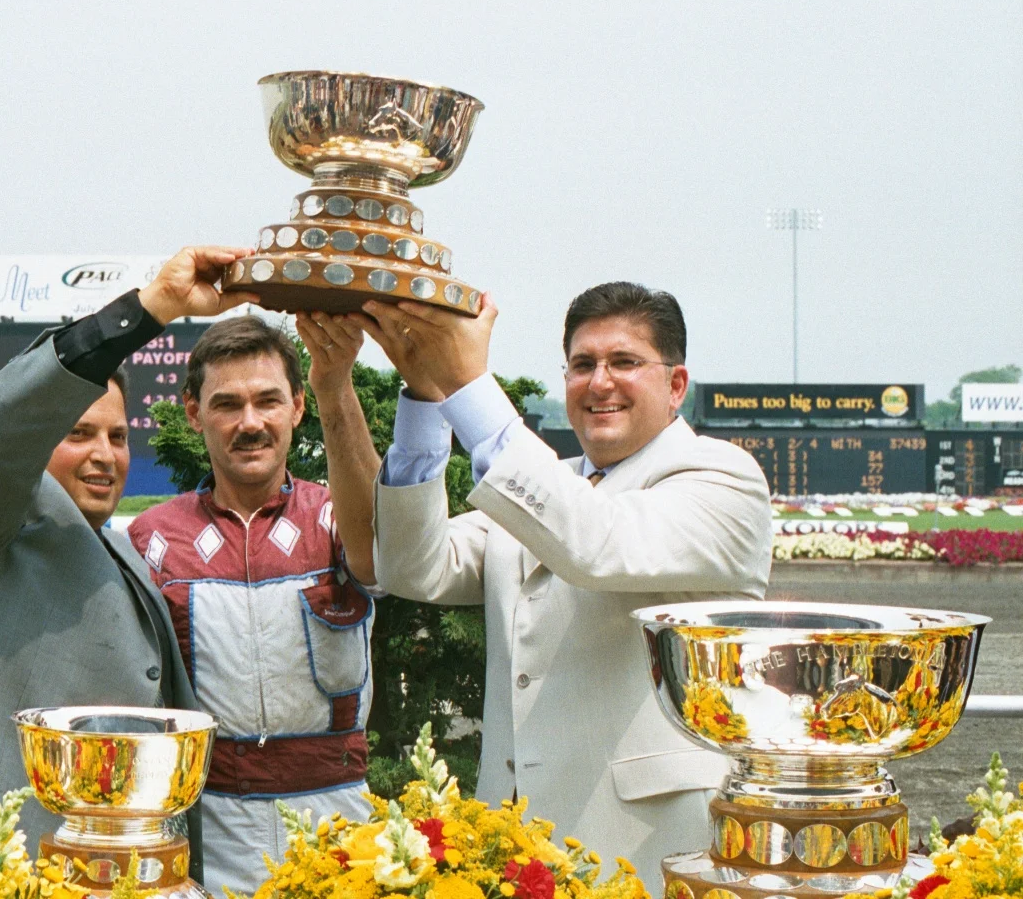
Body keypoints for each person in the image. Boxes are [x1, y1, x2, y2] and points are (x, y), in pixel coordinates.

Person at [329, 281, 772, 894]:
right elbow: (412, 567)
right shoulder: (548, 484)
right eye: (582, 365)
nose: (600, 382)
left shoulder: (723, 479)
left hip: (652, 846)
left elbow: (594, 545)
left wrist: (468, 386)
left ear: (676, 385)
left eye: (624, 362)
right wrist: (426, 400)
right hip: (515, 845)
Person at [0, 245, 255, 871]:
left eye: (118, 437)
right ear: (37, 440)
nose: (105, 455)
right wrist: (149, 310)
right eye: (78, 433)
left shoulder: (126, 550)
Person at [126, 312, 380, 897]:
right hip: (206, 828)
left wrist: (335, 383)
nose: (250, 423)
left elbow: (382, 553)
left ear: (297, 407)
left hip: (339, 822)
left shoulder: (337, 516)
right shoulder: (150, 539)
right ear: (194, 413)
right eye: (227, 404)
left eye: (268, 401)